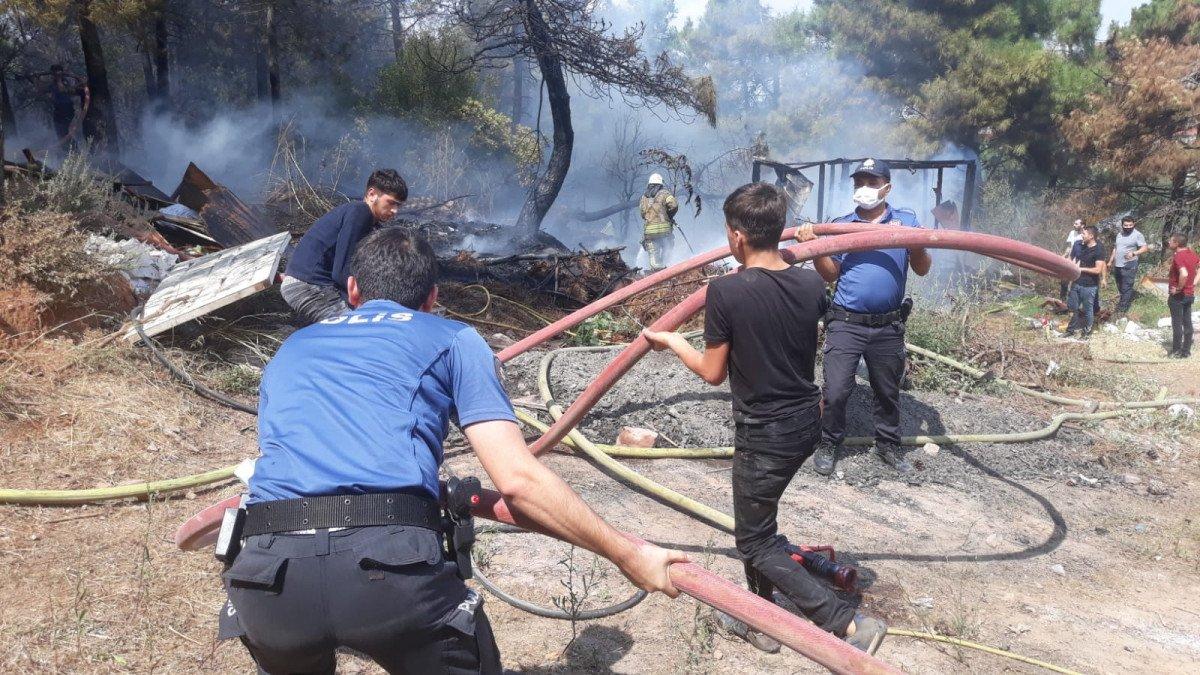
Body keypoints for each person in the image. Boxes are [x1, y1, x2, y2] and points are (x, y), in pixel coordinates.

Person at [222, 227, 686, 673]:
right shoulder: (453, 339)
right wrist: (628, 553)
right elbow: (519, 482)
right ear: (432, 298)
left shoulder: (293, 347)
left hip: (266, 573)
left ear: (352, 290)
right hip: (389, 569)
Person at [642, 183, 888, 656]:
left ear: (735, 237)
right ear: (781, 230)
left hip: (765, 432)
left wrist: (673, 342)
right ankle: (760, 619)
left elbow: (713, 372)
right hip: (805, 422)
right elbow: (786, 294)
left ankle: (846, 623)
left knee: (754, 541)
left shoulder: (726, 292)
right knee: (760, 526)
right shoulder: (811, 283)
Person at [797, 158, 931, 477]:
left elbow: (922, 268)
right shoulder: (841, 225)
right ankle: (829, 443)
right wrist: (817, 248)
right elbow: (831, 275)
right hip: (846, 323)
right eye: (859, 183)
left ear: (887, 187)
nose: (865, 189)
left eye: (872, 183)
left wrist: (916, 245)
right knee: (837, 389)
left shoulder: (907, 222)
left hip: (888, 325)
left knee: (887, 390)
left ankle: (887, 446)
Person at [280, 169, 407, 324]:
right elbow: (343, 272)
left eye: (399, 206)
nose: (395, 211)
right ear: (372, 194)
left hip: (306, 284)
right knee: (357, 329)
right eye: (391, 203)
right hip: (310, 287)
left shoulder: (364, 219)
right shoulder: (360, 212)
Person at [1064, 225, 1106, 338]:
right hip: (1076, 282)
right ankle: (1070, 330)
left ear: (1091, 236)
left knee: (1088, 310)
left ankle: (1087, 332)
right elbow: (1071, 259)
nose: (1081, 235)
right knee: (1073, 307)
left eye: (1084, 234)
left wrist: (1081, 269)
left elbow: (1098, 269)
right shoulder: (1079, 245)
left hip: (1089, 286)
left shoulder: (1099, 249)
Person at [1108, 216, 1149, 316]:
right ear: (1122, 225)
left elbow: (1145, 248)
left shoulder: (1137, 235)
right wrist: (1110, 261)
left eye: (1130, 225)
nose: (1128, 227)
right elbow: (1116, 248)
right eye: (1126, 225)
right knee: (1120, 285)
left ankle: (1121, 311)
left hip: (1130, 265)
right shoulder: (1119, 234)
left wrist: (1134, 253)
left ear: (1134, 224)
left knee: (1126, 286)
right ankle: (1126, 300)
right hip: (1118, 265)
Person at [1167, 232, 1198, 358]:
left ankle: (1176, 351)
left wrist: (1179, 289)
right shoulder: (1192, 254)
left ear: (1177, 243)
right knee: (1187, 322)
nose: (1169, 242)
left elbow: (1184, 273)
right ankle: (1186, 351)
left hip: (1179, 296)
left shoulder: (1178, 256)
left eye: (1171, 241)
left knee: (1177, 324)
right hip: (1189, 294)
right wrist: (1194, 283)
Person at [639, 173, 678, 271]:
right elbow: (674, 205)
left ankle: (656, 271)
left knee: (653, 253)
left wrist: (649, 217)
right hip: (665, 230)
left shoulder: (644, 197)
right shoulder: (665, 194)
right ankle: (667, 269)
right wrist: (668, 215)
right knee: (667, 247)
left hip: (650, 232)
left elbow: (642, 213)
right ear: (660, 184)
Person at [44, 64, 89, 149]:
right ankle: (66, 152)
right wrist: (35, 79)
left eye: (55, 73)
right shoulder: (53, 83)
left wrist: (59, 79)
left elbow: (62, 90)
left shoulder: (64, 81)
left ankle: (74, 151)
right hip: (58, 110)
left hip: (67, 110)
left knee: (64, 133)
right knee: (60, 133)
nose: (53, 75)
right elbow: (41, 90)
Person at [1060, 219, 1084, 301]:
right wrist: (1064, 255)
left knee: (1075, 280)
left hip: (1079, 260)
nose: (1074, 225)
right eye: (1074, 223)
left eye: (1076, 224)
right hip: (1071, 258)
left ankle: (1073, 301)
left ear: (1082, 225)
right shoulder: (1072, 233)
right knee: (1064, 279)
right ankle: (1062, 299)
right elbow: (1069, 247)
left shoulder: (1085, 234)